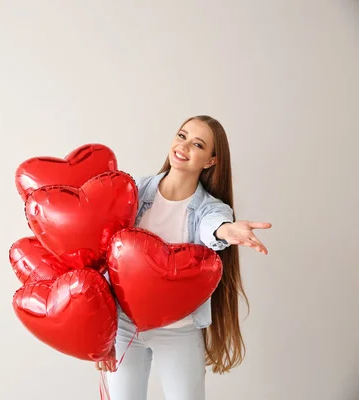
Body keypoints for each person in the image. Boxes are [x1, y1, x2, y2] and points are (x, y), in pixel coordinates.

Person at [95, 115, 272, 400]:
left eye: (198, 144)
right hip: (125, 327)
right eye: (182, 135)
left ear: (210, 161)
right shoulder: (133, 191)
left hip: (179, 331)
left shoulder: (210, 208)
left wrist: (227, 231)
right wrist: (98, 339)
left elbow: (212, 224)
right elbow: (102, 258)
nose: (184, 146)